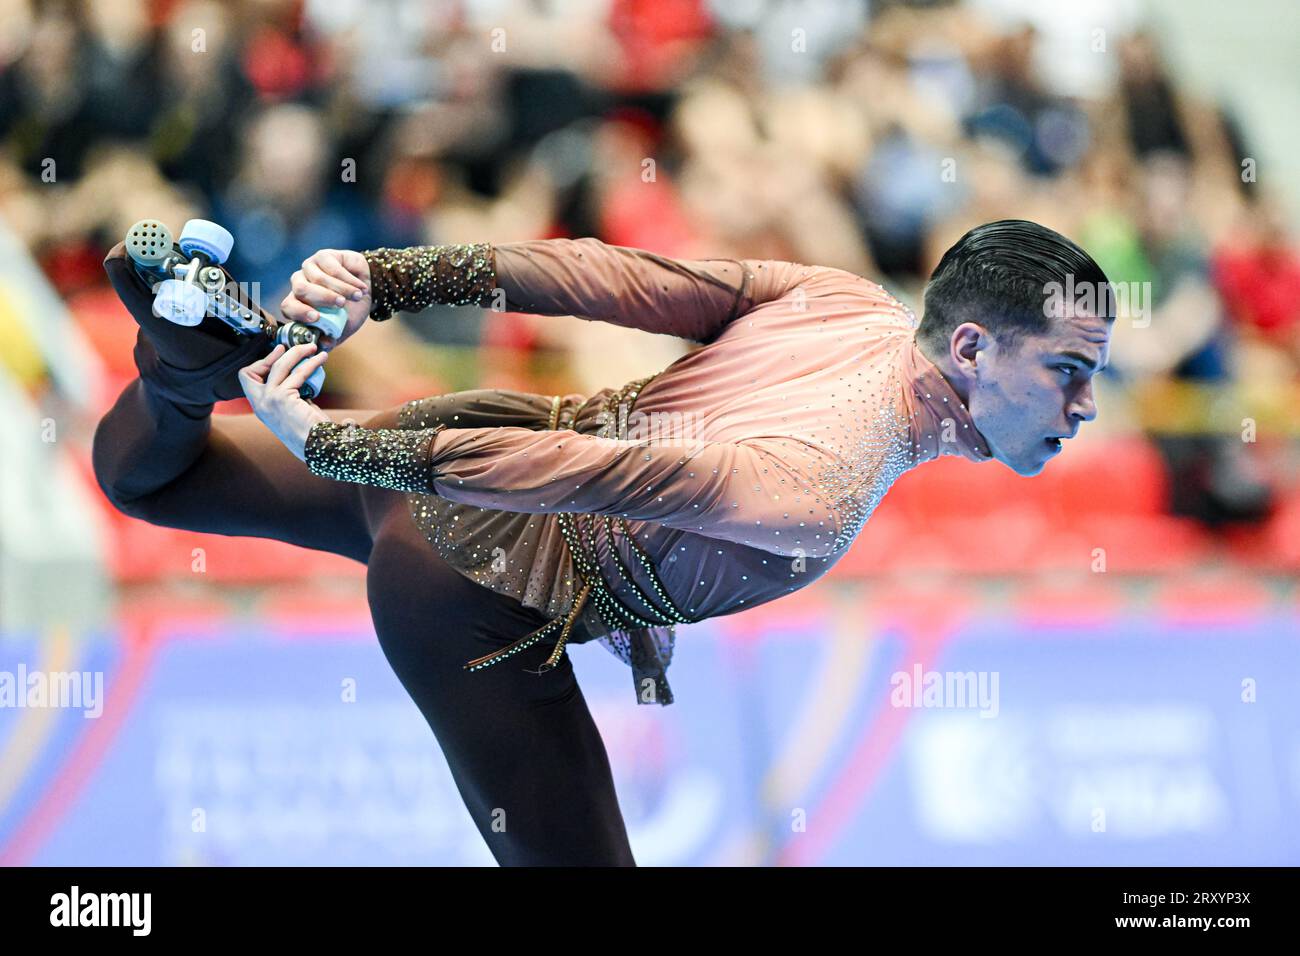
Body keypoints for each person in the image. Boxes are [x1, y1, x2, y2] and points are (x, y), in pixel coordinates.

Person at [92, 218, 1113, 865]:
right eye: (1069, 369)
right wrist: (352, 450)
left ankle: (183, 362)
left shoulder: (848, 303)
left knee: (153, 475)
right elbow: (609, 476)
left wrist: (392, 276)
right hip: (474, 583)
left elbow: (609, 277)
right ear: (973, 349)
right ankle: (197, 362)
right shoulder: (827, 481)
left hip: (469, 445)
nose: (1084, 405)